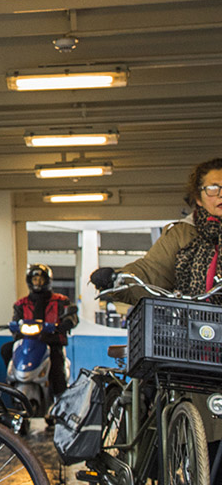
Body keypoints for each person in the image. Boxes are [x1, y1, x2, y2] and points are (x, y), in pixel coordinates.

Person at [90, 157, 222, 454]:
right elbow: (150, 272)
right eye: (213, 188)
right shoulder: (183, 235)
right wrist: (116, 279)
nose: (221, 194)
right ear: (199, 197)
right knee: (161, 404)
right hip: (193, 344)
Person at [0, 264, 77, 398]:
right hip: (28, 344)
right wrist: (13, 326)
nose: (38, 282)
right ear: (29, 281)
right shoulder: (20, 304)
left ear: (47, 281)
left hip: (52, 343)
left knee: (57, 367)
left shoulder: (61, 301)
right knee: (6, 349)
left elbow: (71, 316)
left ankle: (61, 401)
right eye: (35, 279)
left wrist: (66, 323)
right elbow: (16, 321)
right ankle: (12, 383)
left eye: (41, 279)